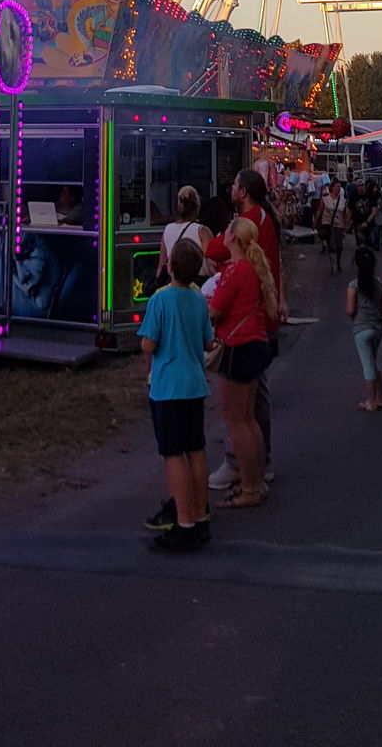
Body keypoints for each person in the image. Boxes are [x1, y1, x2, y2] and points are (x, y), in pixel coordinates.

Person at [205, 169, 284, 487]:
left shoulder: (246, 229)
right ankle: (257, 464)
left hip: (242, 336)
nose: (231, 188)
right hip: (263, 320)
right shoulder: (266, 219)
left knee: (241, 410)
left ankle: (241, 464)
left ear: (244, 192)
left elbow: (212, 250)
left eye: (235, 185)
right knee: (254, 401)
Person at [139, 237, 215, 552]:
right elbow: (208, 342)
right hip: (195, 385)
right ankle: (200, 515)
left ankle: (183, 523)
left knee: (173, 455)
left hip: (168, 387)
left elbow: (148, 344)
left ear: (170, 266)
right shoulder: (199, 300)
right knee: (195, 450)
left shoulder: (160, 300)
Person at [347, 244, 382, 412]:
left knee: (367, 364)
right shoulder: (379, 284)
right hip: (377, 327)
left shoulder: (354, 285)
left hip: (361, 328)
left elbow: (350, 310)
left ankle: (371, 401)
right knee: (372, 361)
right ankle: (381, 397)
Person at [158, 184, 213, 283]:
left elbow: (161, 264)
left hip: (174, 282)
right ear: (197, 207)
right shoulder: (202, 231)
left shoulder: (167, 229)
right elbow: (211, 263)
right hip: (199, 282)